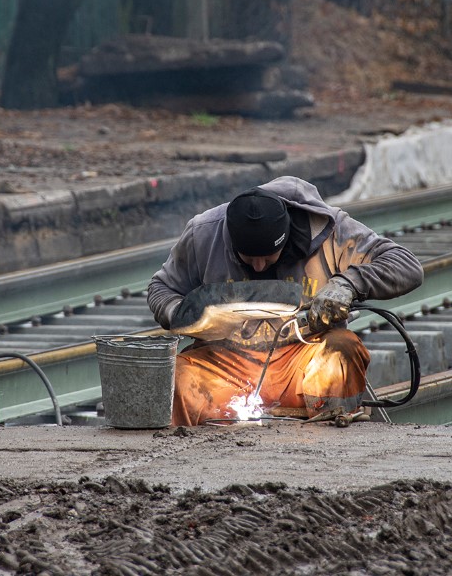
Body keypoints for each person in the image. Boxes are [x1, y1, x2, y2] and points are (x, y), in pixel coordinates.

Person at [147, 175, 423, 426]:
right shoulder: (204, 233)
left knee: (341, 352)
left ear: (286, 236)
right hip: (225, 362)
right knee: (180, 379)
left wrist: (347, 284)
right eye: (247, 258)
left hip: (302, 356)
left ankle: (332, 445)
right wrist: (182, 315)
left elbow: (406, 265)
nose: (257, 267)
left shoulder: (331, 232)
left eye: (267, 258)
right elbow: (162, 287)